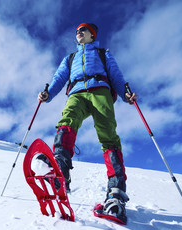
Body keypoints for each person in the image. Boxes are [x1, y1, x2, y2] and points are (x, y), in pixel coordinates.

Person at [37, 23, 137, 220]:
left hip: (100, 90)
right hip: (76, 93)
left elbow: (116, 75)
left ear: (92, 35)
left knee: (108, 135)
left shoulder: (102, 53)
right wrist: (48, 94)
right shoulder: (70, 58)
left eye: (83, 30)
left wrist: (126, 95)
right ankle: (60, 169)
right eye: (76, 31)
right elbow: (59, 77)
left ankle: (115, 193)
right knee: (67, 120)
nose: (79, 33)